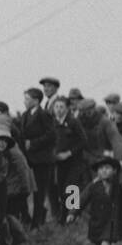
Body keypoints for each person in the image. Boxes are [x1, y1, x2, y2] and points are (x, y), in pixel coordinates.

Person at [0, 116, 33, 245]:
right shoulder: (2, 151)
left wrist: (23, 189)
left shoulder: (11, 151)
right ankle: (10, 241)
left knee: (8, 215)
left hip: (15, 188)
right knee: (5, 214)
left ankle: (17, 238)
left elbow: (21, 169)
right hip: (11, 186)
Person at [81, 155, 122, 245]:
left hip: (111, 222)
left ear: (114, 171)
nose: (104, 171)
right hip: (97, 222)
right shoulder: (93, 186)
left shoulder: (118, 186)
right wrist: (72, 212)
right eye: (101, 169)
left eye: (107, 168)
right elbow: (82, 198)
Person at [18, 87, 56, 228]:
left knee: (41, 191)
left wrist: (33, 143)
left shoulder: (44, 115)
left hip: (43, 159)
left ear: (36, 100)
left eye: (27, 99)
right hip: (29, 159)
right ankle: (31, 216)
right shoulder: (24, 115)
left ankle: (38, 221)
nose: (24, 102)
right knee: (26, 189)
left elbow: (51, 135)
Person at [50, 95, 87, 224]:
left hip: (74, 161)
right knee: (60, 188)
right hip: (59, 162)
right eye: (56, 107)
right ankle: (63, 216)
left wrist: (69, 153)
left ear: (67, 108)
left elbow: (83, 140)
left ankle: (73, 215)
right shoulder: (52, 122)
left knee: (71, 188)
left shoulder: (73, 122)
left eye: (61, 107)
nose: (58, 110)